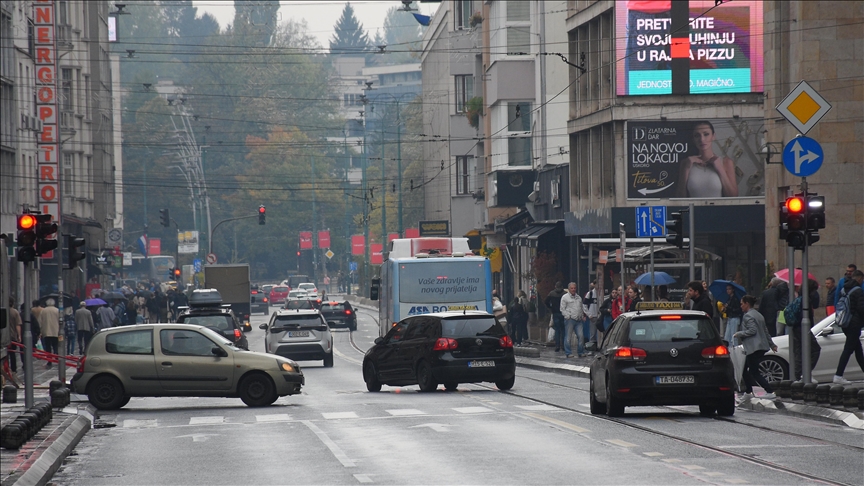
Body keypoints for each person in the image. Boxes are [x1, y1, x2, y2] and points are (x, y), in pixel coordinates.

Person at [677, 121, 739, 198]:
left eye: (706, 134)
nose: (702, 139)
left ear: (713, 136)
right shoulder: (686, 163)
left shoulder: (726, 162)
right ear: (693, 139)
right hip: (694, 209)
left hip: (718, 209)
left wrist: (720, 169)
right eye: (697, 135)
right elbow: (680, 198)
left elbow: (733, 197)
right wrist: (686, 169)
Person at [734, 295, 778, 401]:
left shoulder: (748, 316)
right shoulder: (759, 315)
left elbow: (752, 330)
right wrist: (772, 344)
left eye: (742, 304)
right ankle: (748, 391)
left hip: (754, 347)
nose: (741, 306)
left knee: (754, 372)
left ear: (747, 304)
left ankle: (769, 391)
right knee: (745, 370)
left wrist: (739, 333)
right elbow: (765, 331)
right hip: (761, 346)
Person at [833, 270, 864, 384]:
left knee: (858, 349)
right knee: (848, 349)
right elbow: (861, 308)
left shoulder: (844, 288)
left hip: (845, 323)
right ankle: (838, 375)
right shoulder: (858, 290)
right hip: (854, 324)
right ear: (859, 278)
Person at [787, 286, 821, 383]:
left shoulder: (799, 300)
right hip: (802, 328)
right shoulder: (804, 301)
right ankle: (803, 373)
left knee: (799, 352)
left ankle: (799, 375)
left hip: (797, 328)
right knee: (815, 350)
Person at [560, 282, 585, 358]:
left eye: (574, 288)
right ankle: (568, 352)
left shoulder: (579, 298)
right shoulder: (565, 297)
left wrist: (582, 315)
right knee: (568, 336)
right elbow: (562, 309)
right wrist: (567, 316)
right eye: (572, 288)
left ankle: (580, 352)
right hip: (570, 320)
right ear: (569, 289)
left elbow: (581, 307)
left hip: (578, 319)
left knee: (581, 336)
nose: (573, 289)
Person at [544, 282, 566, 352]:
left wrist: (550, 308)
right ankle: (563, 346)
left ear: (555, 286)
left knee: (557, 329)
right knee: (563, 329)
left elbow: (546, 301)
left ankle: (557, 345)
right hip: (563, 313)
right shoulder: (565, 294)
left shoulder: (551, 293)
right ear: (562, 286)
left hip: (555, 313)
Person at [38, 298, 60, 368]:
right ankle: (56, 357)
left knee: (48, 347)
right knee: (55, 346)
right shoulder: (57, 310)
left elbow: (40, 322)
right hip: (55, 331)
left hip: (46, 331)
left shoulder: (43, 311)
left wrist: (40, 331)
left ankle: (49, 360)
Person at [583, 281, 600, 350]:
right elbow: (584, 305)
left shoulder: (602, 293)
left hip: (600, 316)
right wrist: (589, 314)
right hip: (593, 316)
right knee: (592, 334)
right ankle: (592, 349)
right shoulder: (590, 293)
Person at [7, 297, 22, 373]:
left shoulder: (3, 310)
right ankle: (13, 369)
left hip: (3, 337)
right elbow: (18, 325)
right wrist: (19, 336)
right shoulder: (15, 312)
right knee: (12, 354)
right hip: (12, 336)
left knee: (4, 355)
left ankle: (4, 368)